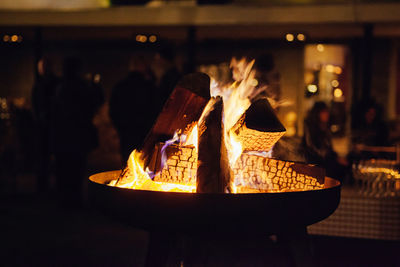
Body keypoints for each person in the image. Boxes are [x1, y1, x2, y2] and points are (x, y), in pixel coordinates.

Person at [53, 57, 103, 208]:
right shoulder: (81, 87)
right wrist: (95, 85)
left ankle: (65, 200)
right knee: (76, 169)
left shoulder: (60, 87)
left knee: (64, 169)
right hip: (77, 134)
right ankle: (74, 200)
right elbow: (95, 102)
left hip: (64, 135)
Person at [109, 54, 157, 162]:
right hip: (145, 133)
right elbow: (156, 110)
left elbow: (113, 111)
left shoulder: (120, 87)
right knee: (144, 165)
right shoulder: (149, 87)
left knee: (127, 163)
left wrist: (120, 127)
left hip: (126, 132)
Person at [31, 57, 59, 193]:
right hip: (46, 127)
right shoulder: (43, 84)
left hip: (53, 126)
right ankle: (45, 187)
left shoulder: (45, 84)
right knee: (44, 158)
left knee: (49, 158)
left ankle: (46, 187)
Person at [302, 101, 347, 181]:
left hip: (326, 159)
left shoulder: (325, 128)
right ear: (317, 113)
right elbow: (312, 149)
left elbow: (329, 148)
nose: (327, 114)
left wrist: (336, 157)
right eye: (324, 112)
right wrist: (333, 158)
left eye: (327, 112)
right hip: (316, 161)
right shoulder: (310, 128)